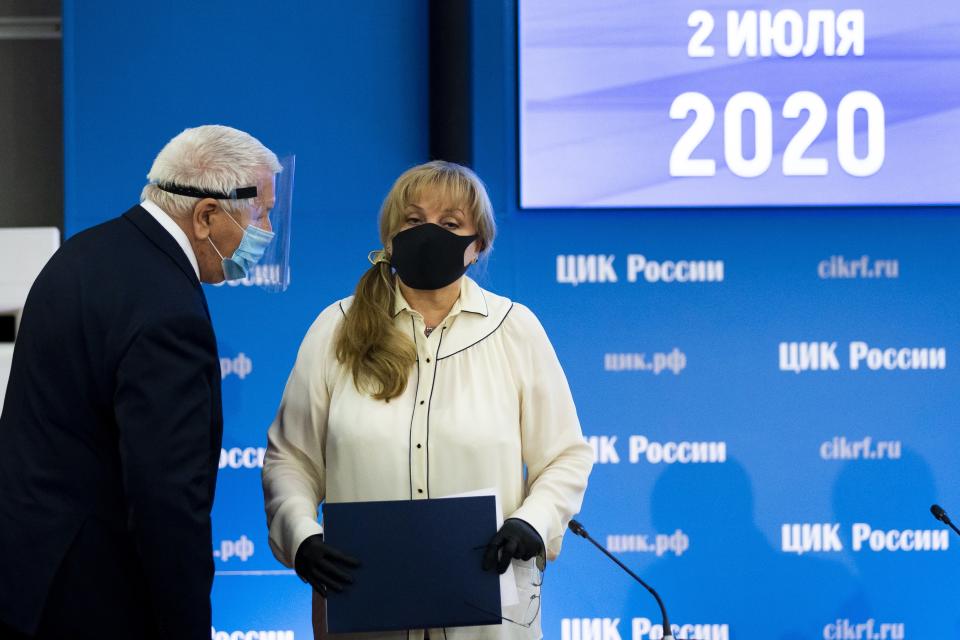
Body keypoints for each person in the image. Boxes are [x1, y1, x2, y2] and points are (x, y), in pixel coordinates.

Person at [262, 160, 593, 640]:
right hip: (363, 617)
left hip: (489, 623)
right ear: (391, 235)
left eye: (451, 223)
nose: (429, 233)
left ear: (477, 245)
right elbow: (290, 459)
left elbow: (565, 456)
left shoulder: (515, 329)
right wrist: (302, 536)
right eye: (413, 220)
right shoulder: (335, 328)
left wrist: (533, 523)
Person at [0, 125, 285, 639]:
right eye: (261, 212)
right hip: (96, 600)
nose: (266, 229)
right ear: (206, 215)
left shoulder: (86, 254)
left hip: (33, 582)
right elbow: (166, 500)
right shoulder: (166, 308)